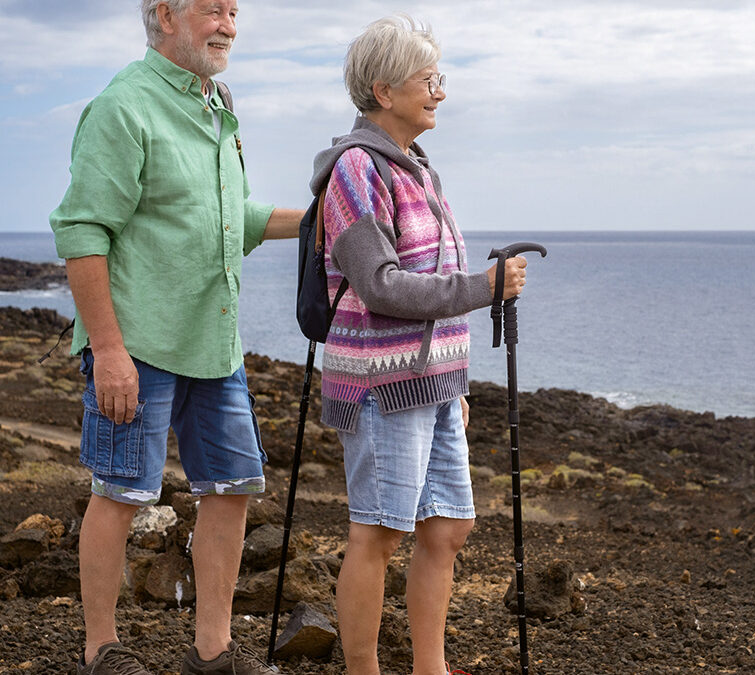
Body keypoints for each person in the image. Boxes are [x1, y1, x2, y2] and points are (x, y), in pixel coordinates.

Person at [49, 1, 301, 674]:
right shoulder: (122, 107)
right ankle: (100, 650)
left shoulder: (215, 105)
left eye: (233, 11)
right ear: (163, 14)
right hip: (137, 345)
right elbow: (82, 231)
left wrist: (319, 218)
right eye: (212, 8)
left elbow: (229, 218)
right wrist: (107, 349)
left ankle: (212, 652)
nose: (228, 23)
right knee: (121, 492)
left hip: (213, 346)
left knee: (233, 487)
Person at [309, 15, 528, 675]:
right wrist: (483, 287)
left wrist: (452, 385)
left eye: (440, 78)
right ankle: (362, 669)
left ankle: (428, 668)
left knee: (446, 527)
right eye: (426, 79)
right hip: (381, 381)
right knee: (377, 531)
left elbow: (423, 280)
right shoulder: (354, 169)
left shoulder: (417, 168)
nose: (439, 91)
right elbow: (380, 285)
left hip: (431, 382)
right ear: (383, 89)